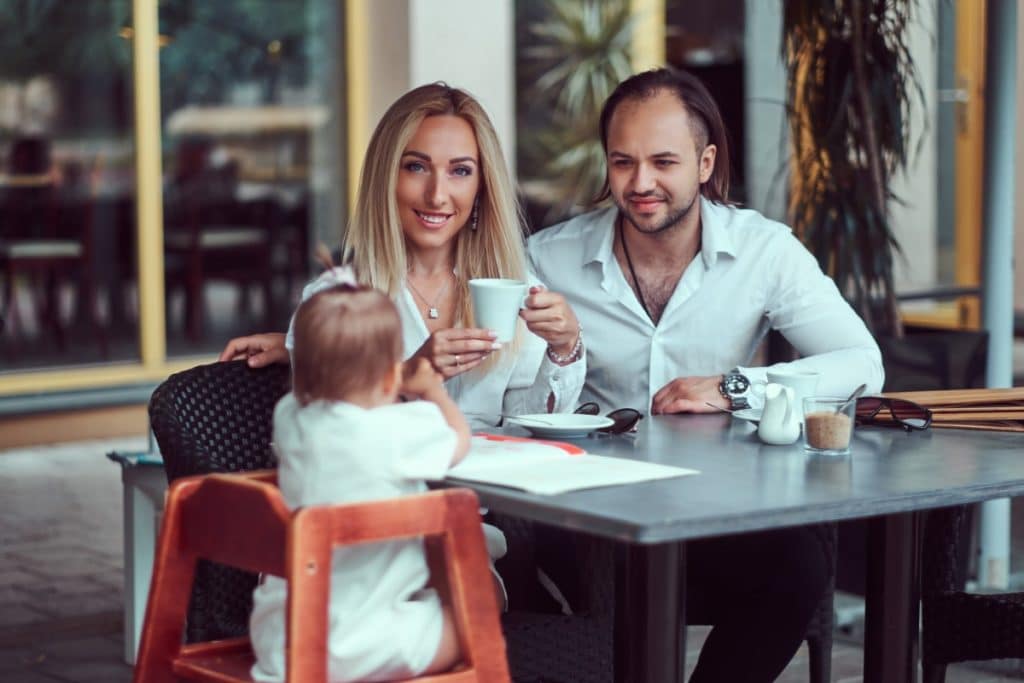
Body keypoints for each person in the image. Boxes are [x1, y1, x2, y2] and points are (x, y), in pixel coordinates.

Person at [527, 67, 884, 682]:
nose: (641, 184)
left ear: (705, 161)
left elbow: (861, 365)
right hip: (591, 528)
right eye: (622, 162)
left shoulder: (764, 251)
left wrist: (731, 388)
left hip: (718, 517)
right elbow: (512, 397)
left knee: (799, 567)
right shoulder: (549, 259)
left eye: (664, 161)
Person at [220, 83, 585, 420]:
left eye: (460, 171)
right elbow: (325, 429)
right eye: (416, 167)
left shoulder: (515, 290)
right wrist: (405, 376)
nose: (437, 195)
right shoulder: (333, 301)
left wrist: (564, 350)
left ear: (481, 188)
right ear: (386, 178)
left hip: (494, 487)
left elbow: (530, 425)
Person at [249, 282, 472, 682]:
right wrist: (430, 390)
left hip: (280, 635)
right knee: (470, 618)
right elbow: (459, 441)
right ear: (391, 378)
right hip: (359, 643)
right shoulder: (394, 430)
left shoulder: (288, 416)